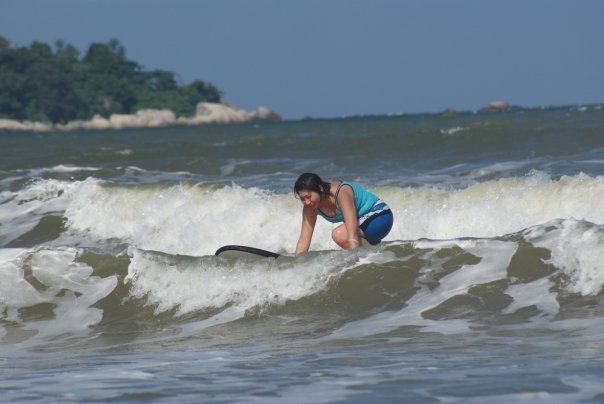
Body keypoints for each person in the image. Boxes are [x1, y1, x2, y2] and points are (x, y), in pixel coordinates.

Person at [294, 173, 393, 255]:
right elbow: (303, 241)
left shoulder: (341, 193)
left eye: (309, 196)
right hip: (362, 225)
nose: (306, 202)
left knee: (339, 235)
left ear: (320, 188)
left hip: (380, 215)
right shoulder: (310, 207)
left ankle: (373, 257)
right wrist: (297, 267)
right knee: (344, 240)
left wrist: (355, 262)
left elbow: (352, 235)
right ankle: (377, 256)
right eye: (302, 199)